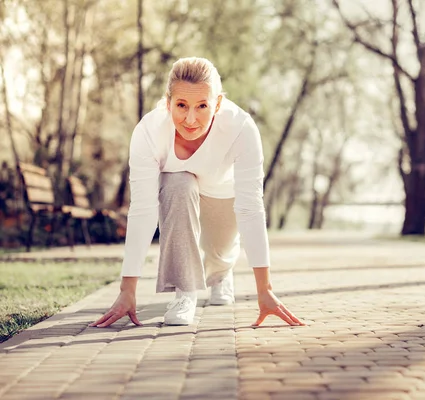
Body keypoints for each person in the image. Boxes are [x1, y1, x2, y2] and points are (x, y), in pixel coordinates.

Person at [90, 57, 303, 328]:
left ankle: (221, 274)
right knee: (178, 183)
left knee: (220, 254)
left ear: (218, 104)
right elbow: (143, 210)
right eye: (181, 105)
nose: (191, 119)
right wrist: (127, 290)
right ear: (168, 103)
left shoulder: (241, 128)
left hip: (223, 199)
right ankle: (185, 292)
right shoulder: (148, 132)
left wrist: (264, 289)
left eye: (202, 106)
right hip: (180, 197)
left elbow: (251, 208)